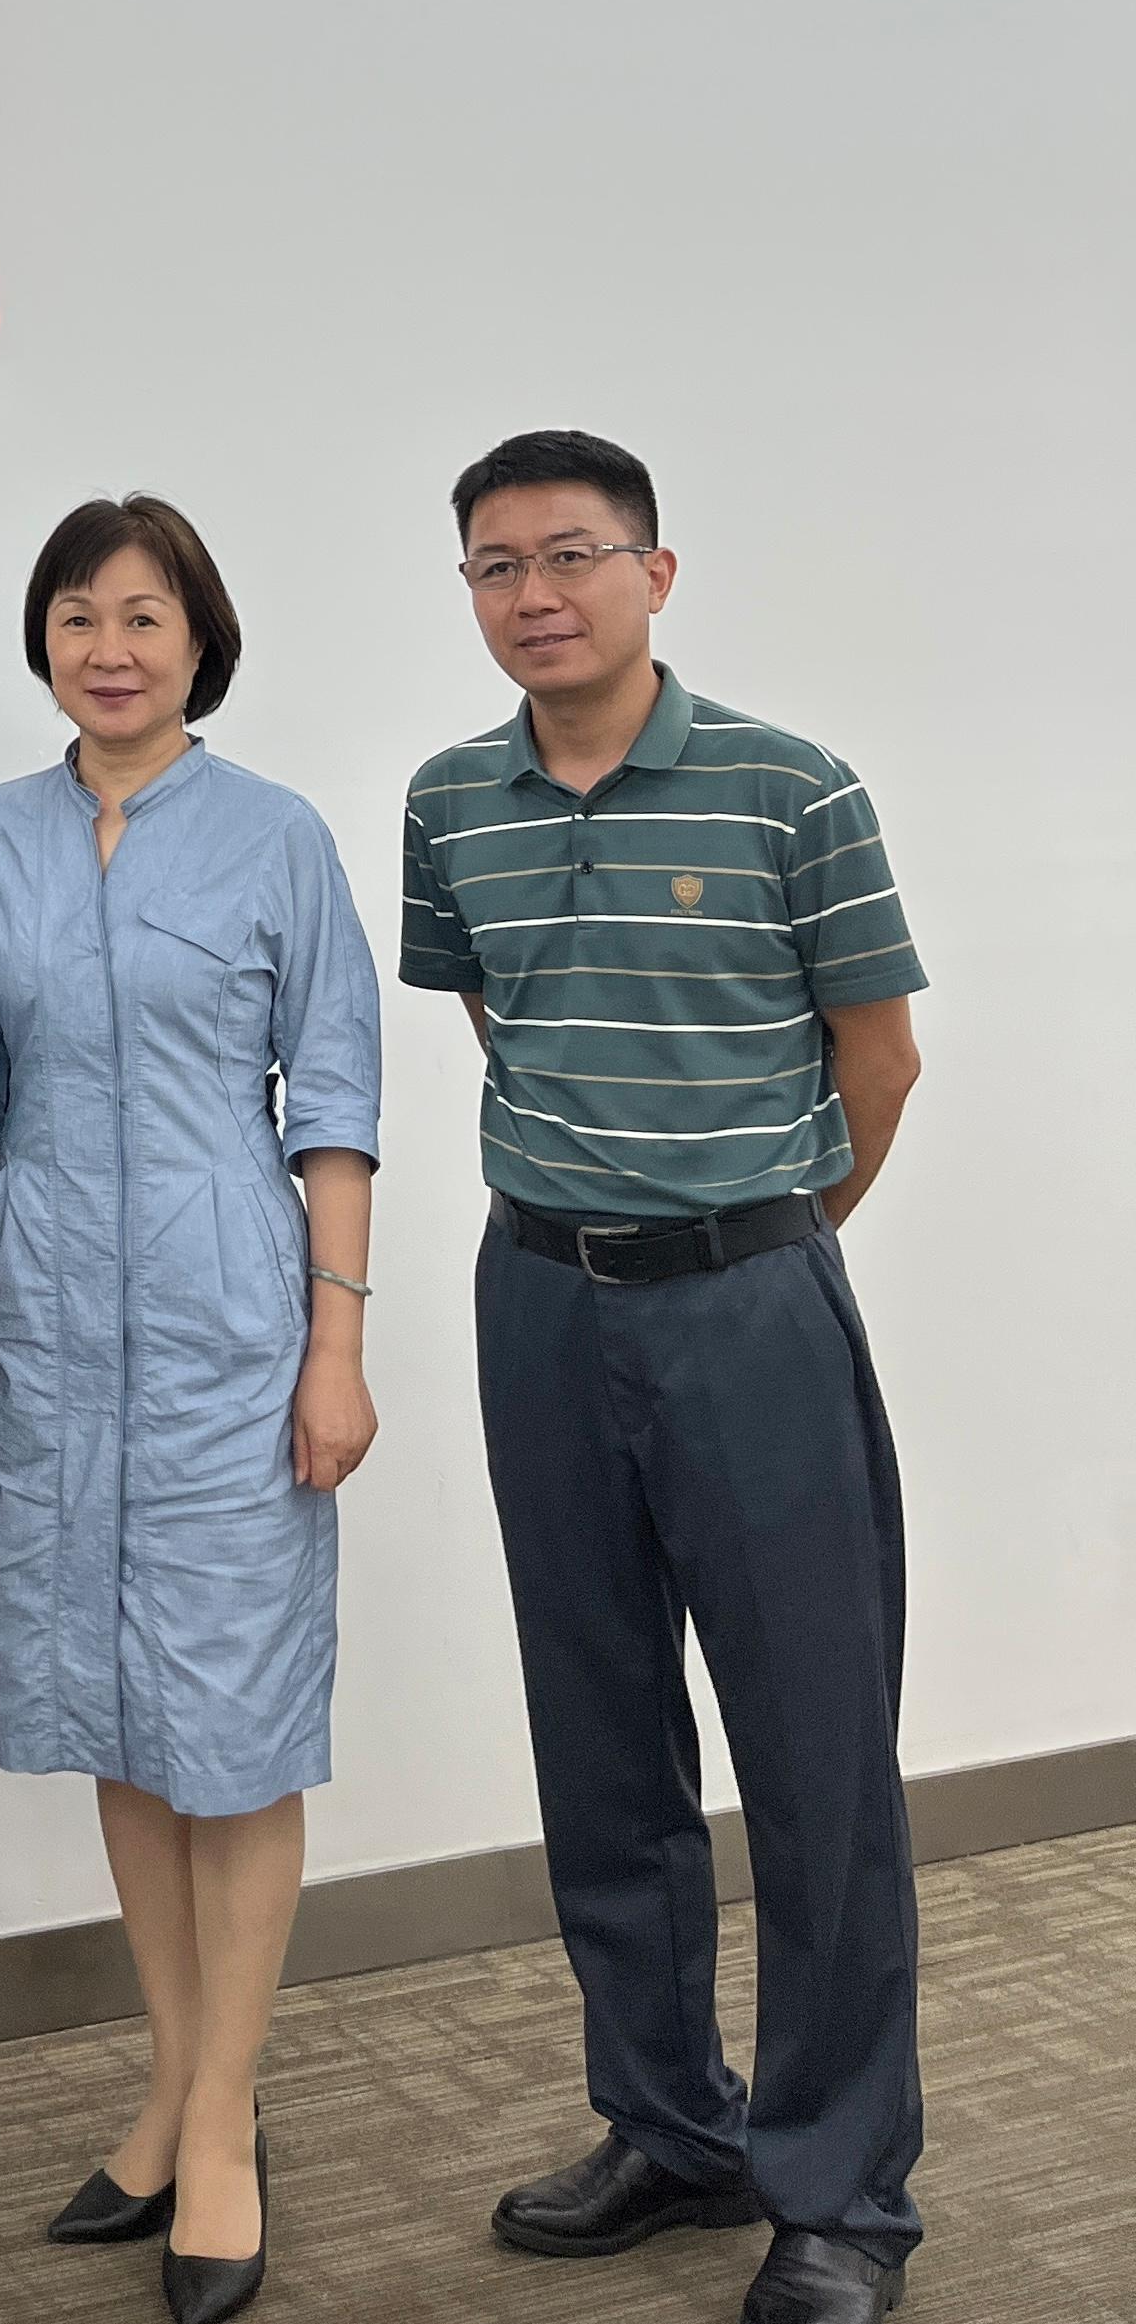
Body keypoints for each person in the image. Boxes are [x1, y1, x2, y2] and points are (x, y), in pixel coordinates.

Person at [402, 430, 927, 2324]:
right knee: (600, 1733)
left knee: (815, 1760)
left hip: (750, 1307)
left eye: (570, 555)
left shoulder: (794, 786)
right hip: (539, 1299)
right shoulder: (449, 801)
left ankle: (841, 2195)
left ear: (655, 571)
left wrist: (758, 1234)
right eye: (495, 567)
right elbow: (504, 1018)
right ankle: (670, 2124)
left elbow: (879, 1061)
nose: (534, 595)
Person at [0, 497, 380, 2324]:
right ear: (42, 639)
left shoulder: (278, 835)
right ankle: (180, 2084)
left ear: (201, 637)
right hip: (50, 1318)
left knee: (236, 1726)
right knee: (119, 1705)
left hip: (228, 1329)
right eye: (76, 614)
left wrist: (337, 1343)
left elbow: (333, 1105)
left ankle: (219, 2125)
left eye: (143, 614)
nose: (108, 648)